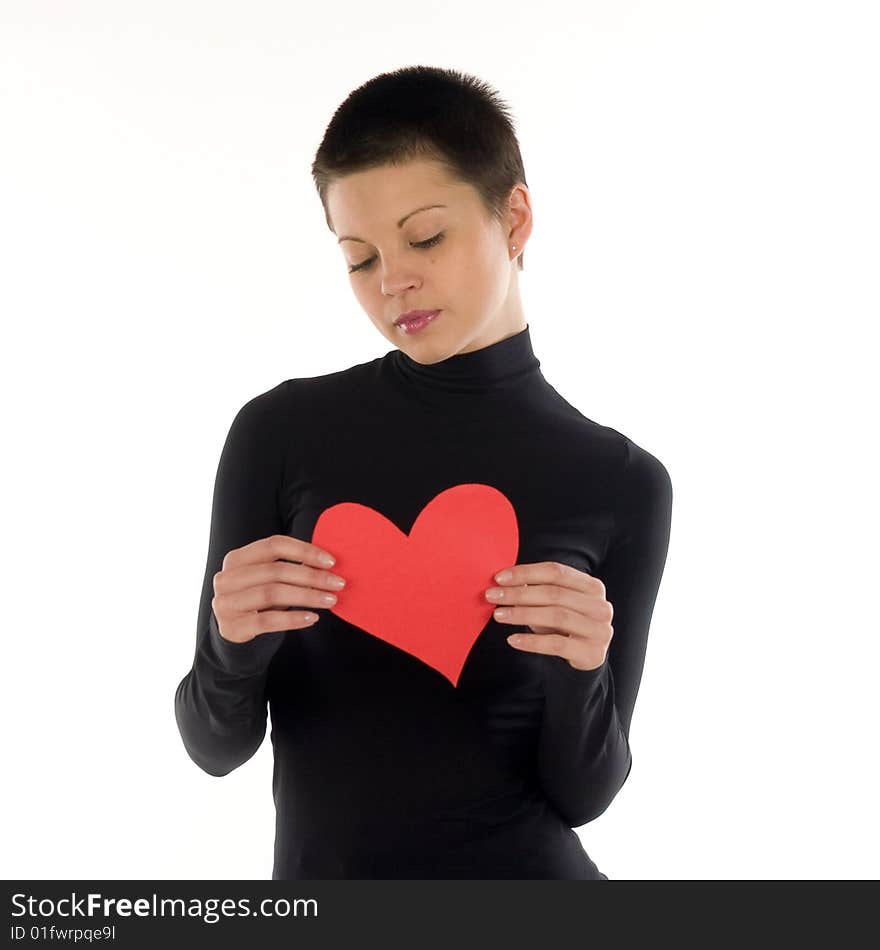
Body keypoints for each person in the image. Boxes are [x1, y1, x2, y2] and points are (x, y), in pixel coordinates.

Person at [174, 65, 673, 880]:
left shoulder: (621, 480)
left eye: (426, 236)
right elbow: (213, 745)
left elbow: (585, 794)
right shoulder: (282, 432)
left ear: (514, 217)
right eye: (358, 256)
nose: (392, 279)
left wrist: (583, 672)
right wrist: (231, 648)